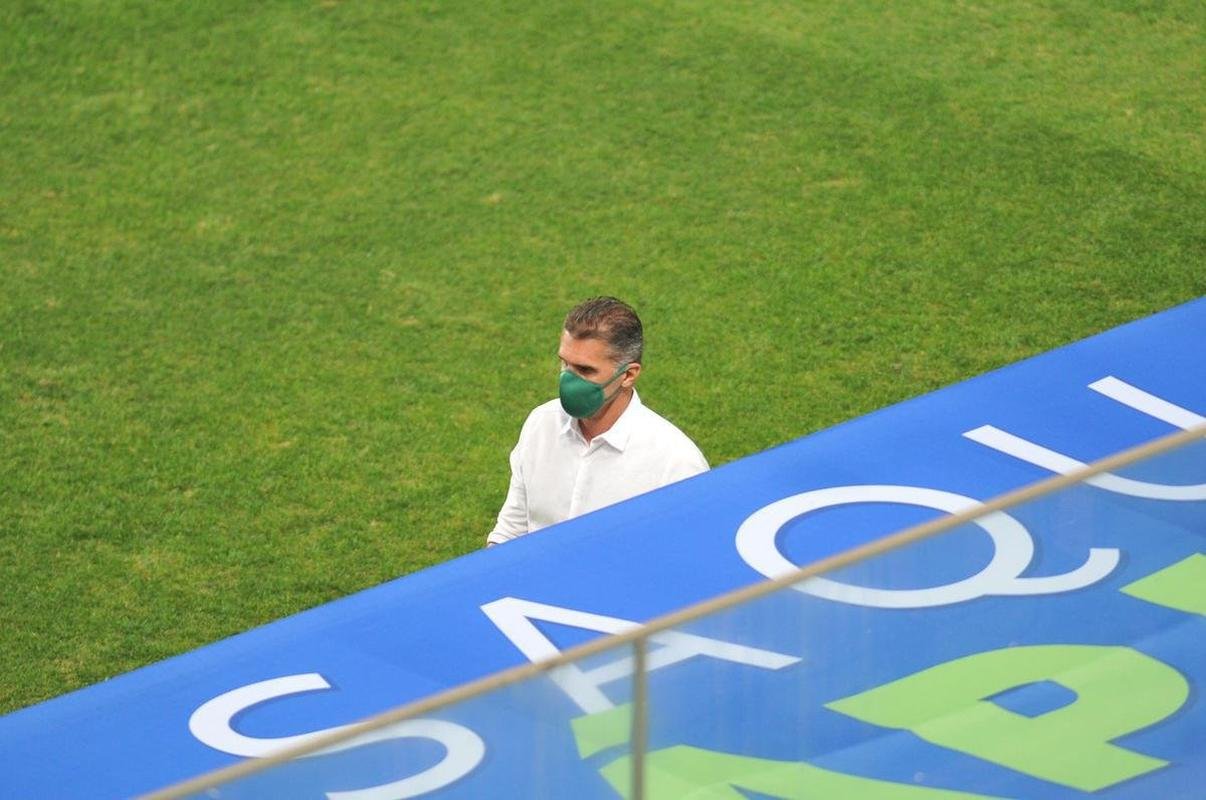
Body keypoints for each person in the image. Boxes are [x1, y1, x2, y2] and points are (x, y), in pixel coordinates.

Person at [486, 297, 709, 546]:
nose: (568, 381)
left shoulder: (677, 464)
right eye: (565, 364)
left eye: (585, 370)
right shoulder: (541, 424)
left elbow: (688, 559)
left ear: (628, 375)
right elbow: (511, 531)